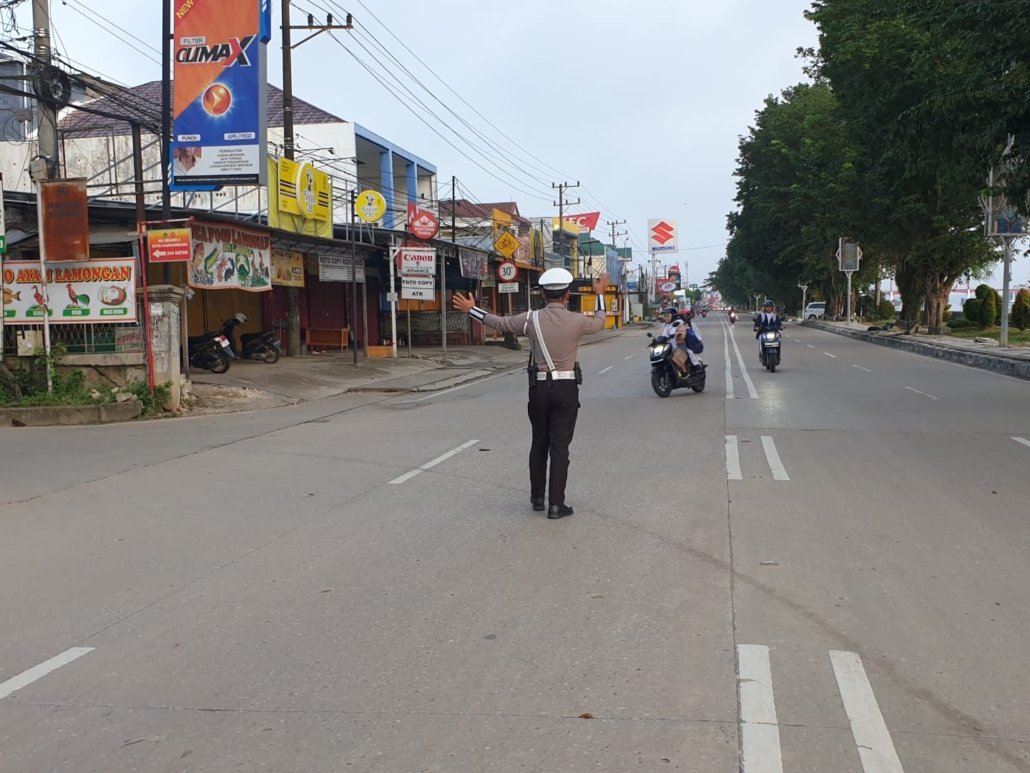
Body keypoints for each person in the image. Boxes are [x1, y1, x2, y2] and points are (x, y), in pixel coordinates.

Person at [452, 268, 608, 519]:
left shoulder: (530, 319)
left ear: (543, 295)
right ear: (567, 295)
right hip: (566, 388)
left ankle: (537, 498)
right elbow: (600, 322)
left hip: (539, 389)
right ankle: (556, 505)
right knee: (560, 447)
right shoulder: (578, 321)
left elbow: (499, 323)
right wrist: (599, 294)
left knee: (539, 443)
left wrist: (472, 309)